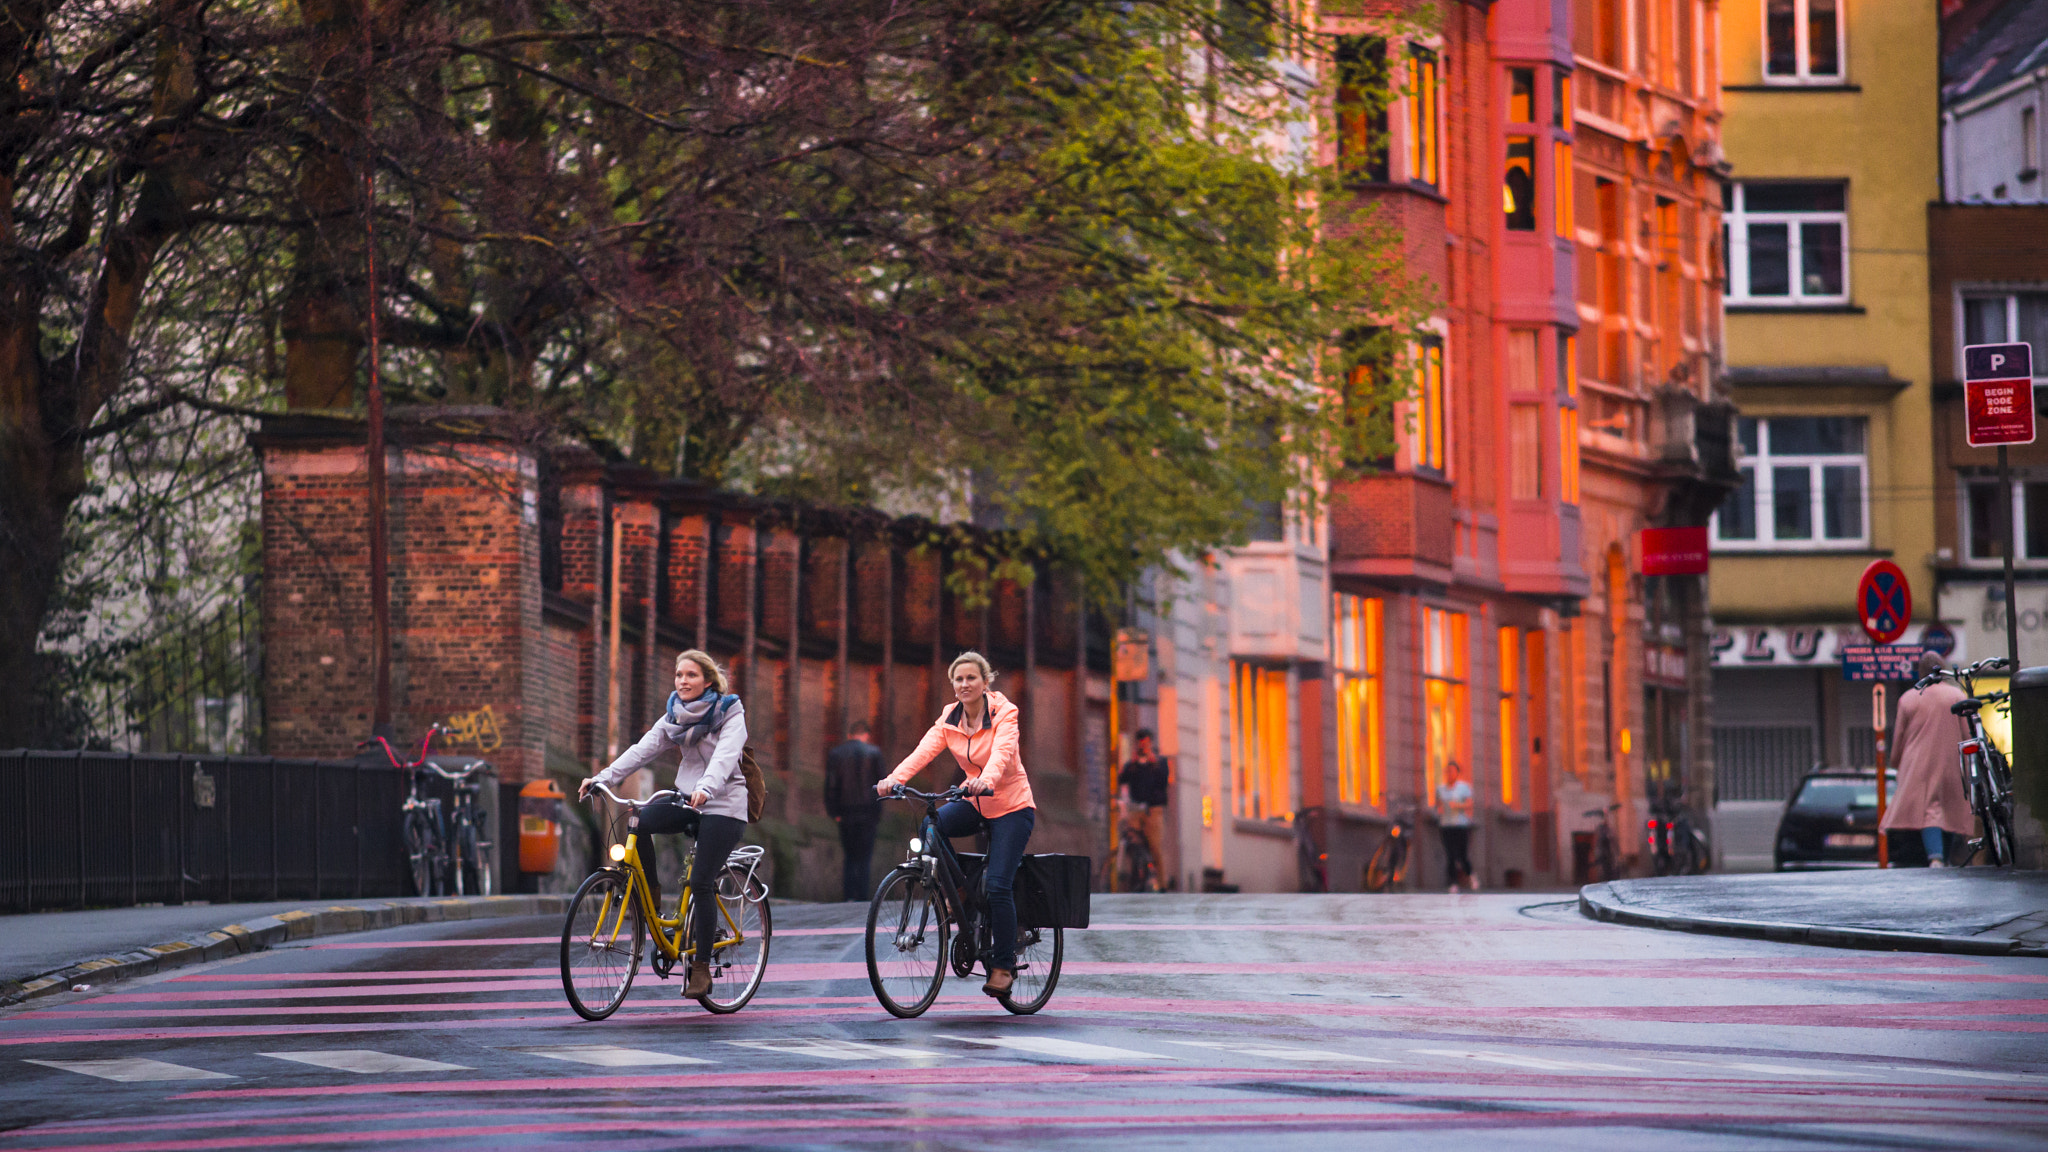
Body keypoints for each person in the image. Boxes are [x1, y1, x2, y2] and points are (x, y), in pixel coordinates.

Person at [580, 649, 748, 998]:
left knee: (701, 881)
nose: (683, 681)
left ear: (707, 681)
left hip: (723, 803)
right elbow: (642, 749)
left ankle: (701, 967)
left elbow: (725, 756)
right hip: (687, 797)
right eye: (678, 675)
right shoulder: (674, 715)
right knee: (639, 820)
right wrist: (603, 778)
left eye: (691, 675)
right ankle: (650, 900)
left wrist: (706, 787)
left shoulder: (730, 713)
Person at [876, 650, 1035, 997]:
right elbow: (924, 751)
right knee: (931, 827)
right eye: (958, 680)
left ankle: (1003, 966)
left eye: (971, 678)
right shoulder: (950, 718)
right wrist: (893, 778)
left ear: (984, 681)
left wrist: (987, 779)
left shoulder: (1004, 713)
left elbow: (1002, 754)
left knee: (998, 886)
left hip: (1011, 805)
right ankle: (958, 894)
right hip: (974, 800)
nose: (964, 684)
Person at [1881, 651, 1974, 867]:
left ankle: (1935, 856)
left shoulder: (1909, 699)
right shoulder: (1957, 696)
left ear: (1920, 672)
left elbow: (1899, 739)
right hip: (1952, 761)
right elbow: (1967, 735)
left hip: (1919, 764)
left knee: (1930, 809)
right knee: (1951, 806)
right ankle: (1946, 857)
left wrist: (1896, 761)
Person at [824, 721, 886, 902]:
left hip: (846, 813)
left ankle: (849, 896)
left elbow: (831, 785)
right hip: (868, 813)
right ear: (866, 735)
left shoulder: (837, 754)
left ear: (850, 735)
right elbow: (881, 785)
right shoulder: (874, 753)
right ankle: (862, 897)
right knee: (865, 857)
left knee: (850, 856)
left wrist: (833, 811)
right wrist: (878, 812)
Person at [1118, 729, 1172, 891]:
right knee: (1132, 838)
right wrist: (1132, 764)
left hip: (1153, 810)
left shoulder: (1159, 763)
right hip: (1136, 809)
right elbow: (1122, 779)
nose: (1143, 747)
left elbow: (1163, 782)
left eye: (1146, 744)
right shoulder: (1132, 765)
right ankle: (1136, 874)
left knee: (1155, 847)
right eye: (1141, 744)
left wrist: (1152, 762)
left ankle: (1162, 884)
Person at [1437, 761, 1477, 893]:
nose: (1449, 774)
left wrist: (1458, 805)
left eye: (1452, 771)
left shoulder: (1464, 788)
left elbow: (1469, 804)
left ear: (1457, 773)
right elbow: (1438, 805)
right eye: (1447, 771)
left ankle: (1470, 875)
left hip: (1460, 825)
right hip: (1446, 825)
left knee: (1462, 855)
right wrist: (1440, 809)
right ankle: (1453, 883)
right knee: (1450, 855)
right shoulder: (1441, 789)